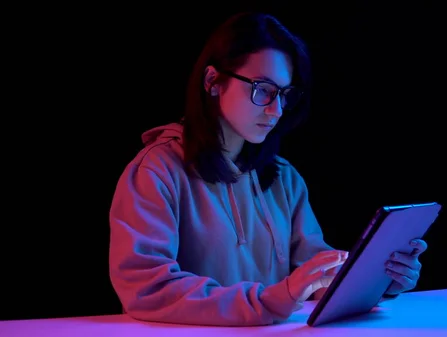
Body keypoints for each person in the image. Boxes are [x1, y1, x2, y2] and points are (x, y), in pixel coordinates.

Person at [108, 11, 428, 327]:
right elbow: (146, 288)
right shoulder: (155, 171)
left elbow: (312, 276)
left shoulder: (283, 178)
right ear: (212, 81)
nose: (276, 110)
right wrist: (268, 301)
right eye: (263, 89)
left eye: (284, 94)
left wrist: (378, 279)